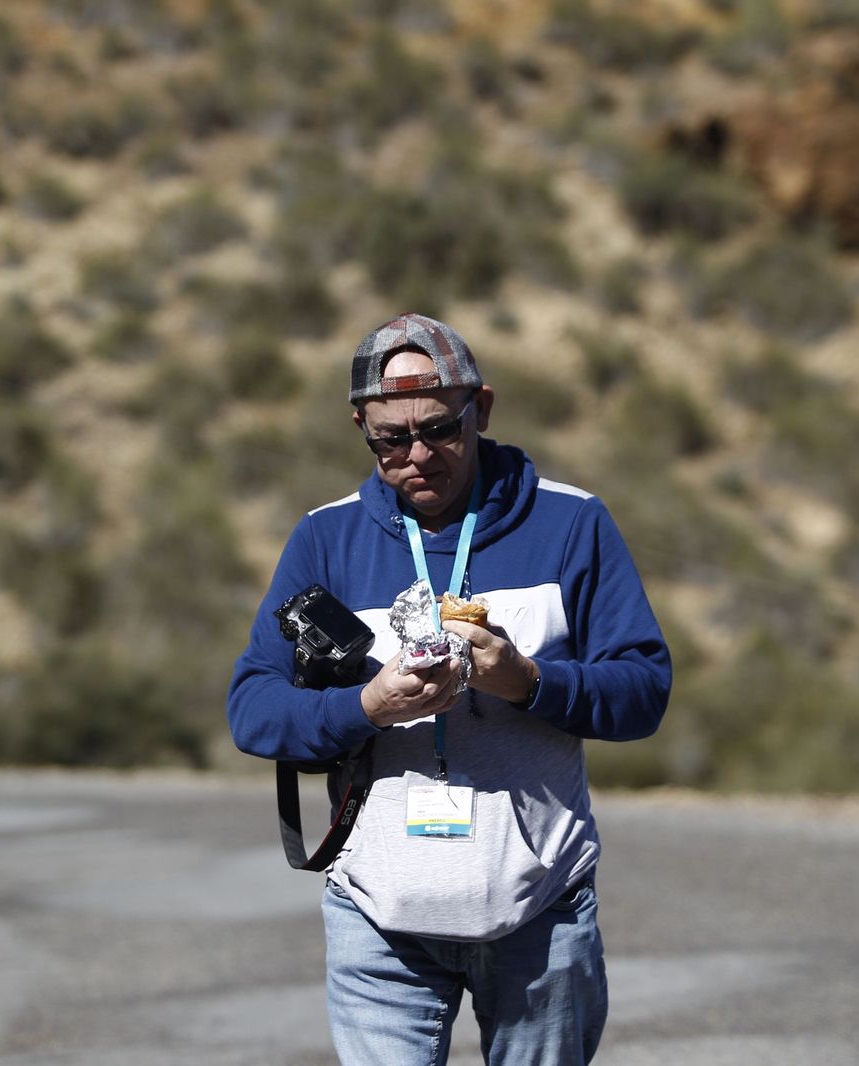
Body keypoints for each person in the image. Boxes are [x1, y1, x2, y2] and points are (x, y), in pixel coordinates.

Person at [228, 312, 672, 1065]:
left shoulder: (572, 523)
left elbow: (643, 691)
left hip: (538, 910)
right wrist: (366, 707)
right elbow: (253, 709)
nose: (419, 455)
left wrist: (528, 682)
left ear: (483, 410)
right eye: (391, 439)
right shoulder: (324, 538)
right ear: (361, 426)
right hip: (378, 915)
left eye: (441, 429)